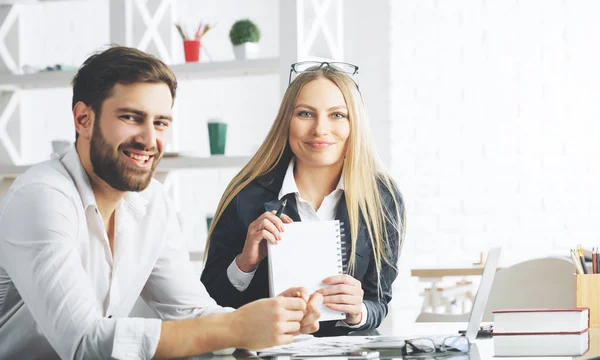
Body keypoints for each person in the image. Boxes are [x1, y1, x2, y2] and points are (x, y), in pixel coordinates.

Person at [0, 47, 321, 360]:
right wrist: (236, 326)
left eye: (161, 123)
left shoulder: (152, 200)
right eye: (131, 117)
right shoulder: (42, 196)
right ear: (83, 119)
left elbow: (190, 310)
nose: (149, 139)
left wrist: (273, 318)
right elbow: (85, 343)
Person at [201, 61, 406, 336]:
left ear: (354, 124)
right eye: (306, 113)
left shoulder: (382, 199)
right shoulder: (245, 195)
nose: (320, 129)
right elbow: (211, 302)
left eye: (337, 115)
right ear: (287, 121)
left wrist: (359, 310)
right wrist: (245, 263)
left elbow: (378, 302)